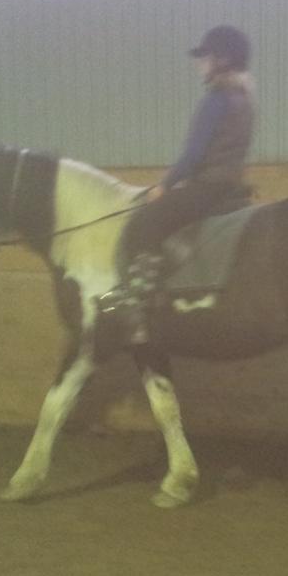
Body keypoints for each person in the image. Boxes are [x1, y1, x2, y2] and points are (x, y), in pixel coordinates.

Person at [99, 25, 256, 344]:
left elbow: (193, 155)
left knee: (145, 222)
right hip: (232, 187)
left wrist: (165, 186)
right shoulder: (245, 98)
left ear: (223, 60)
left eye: (206, 57)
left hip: (208, 186)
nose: (200, 63)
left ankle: (138, 306)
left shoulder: (216, 99)